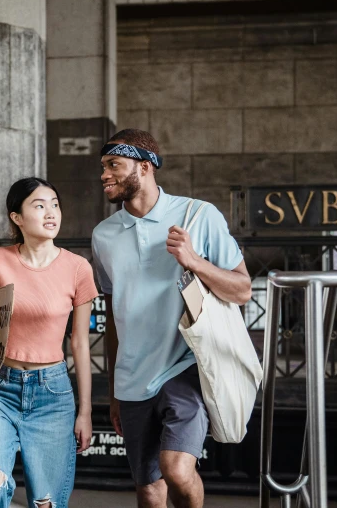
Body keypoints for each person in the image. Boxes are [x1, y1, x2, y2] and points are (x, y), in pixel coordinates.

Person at [92, 129, 252, 508]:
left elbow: (242, 289)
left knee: (177, 469)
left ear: (144, 167)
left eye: (113, 165)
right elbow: (114, 316)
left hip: (186, 366)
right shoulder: (103, 236)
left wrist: (194, 261)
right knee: (148, 489)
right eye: (103, 167)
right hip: (133, 377)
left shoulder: (199, 215)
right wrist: (114, 387)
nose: (104, 175)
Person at [0, 177, 99, 508]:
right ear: (16, 217)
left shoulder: (78, 268)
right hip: (0, 388)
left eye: (55, 204)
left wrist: (85, 411)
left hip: (53, 394)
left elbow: (80, 344)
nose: (51, 213)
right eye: (39, 205)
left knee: (46, 503)